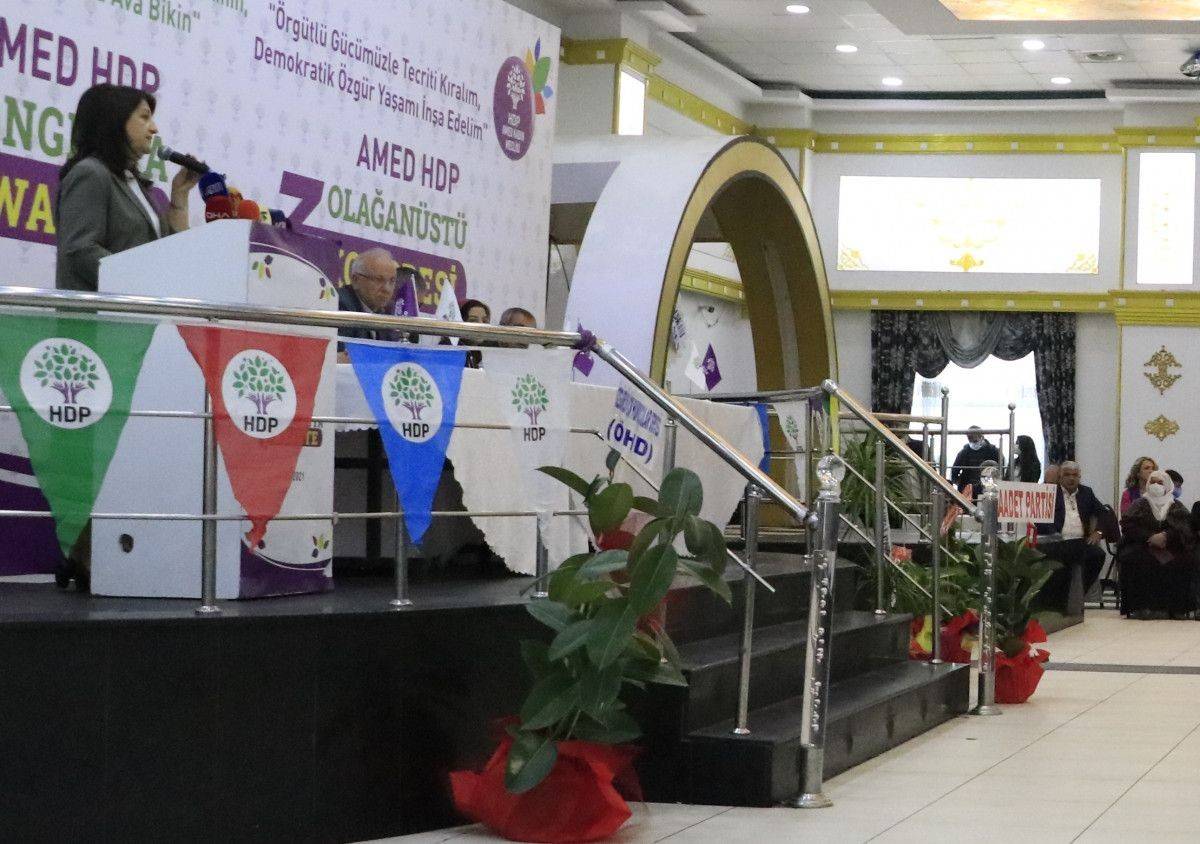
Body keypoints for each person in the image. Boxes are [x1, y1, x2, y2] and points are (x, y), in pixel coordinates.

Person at [56, 84, 199, 291]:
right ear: (116, 120)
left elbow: (171, 254)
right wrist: (141, 283)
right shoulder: (90, 173)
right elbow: (81, 249)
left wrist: (180, 195)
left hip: (139, 309)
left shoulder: (132, 181)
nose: (154, 128)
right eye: (144, 117)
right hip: (102, 311)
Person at [1117, 469, 1197, 619]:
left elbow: (1185, 527)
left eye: (1160, 483)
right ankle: (1142, 606)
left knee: (1183, 561)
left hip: (1170, 545)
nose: (1156, 485)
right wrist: (1150, 537)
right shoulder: (1139, 504)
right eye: (1152, 482)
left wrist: (1166, 536)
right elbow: (1128, 525)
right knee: (1138, 560)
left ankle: (1175, 608)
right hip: (1143, 544)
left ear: (1167, 485)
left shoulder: (1176, 505)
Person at [1035, 461, 1107, 611]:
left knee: (1098, 554)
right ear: (1060, 477)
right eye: (1067, 475)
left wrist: (1098, 532)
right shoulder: (1050, 492)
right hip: (1055, 541)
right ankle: (1057, 604)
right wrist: (1054, 534)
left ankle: (1079, 593)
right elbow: (1040, 519)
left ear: (1079, 477)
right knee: (1061, 562)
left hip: (1080, 542)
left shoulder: (1086, 492)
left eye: (1075, 475)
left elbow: (1104, 513)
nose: (1071, 478)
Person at [337, 248, 402, 357]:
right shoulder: (340, 306)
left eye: (392, 281)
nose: (387, 289)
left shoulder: (387, 312)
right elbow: (342, 357)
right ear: (355, 279)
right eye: (378, 280)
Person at [950, 426, 1001, 496]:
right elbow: (954, 472)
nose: (972, 443)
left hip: (987, 490)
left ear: (982, 437)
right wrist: (962, 486)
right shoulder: (964, 452)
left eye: (975, 441)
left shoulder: (993, 451)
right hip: (968, 491)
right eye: (970, 440)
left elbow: (1001, 470)